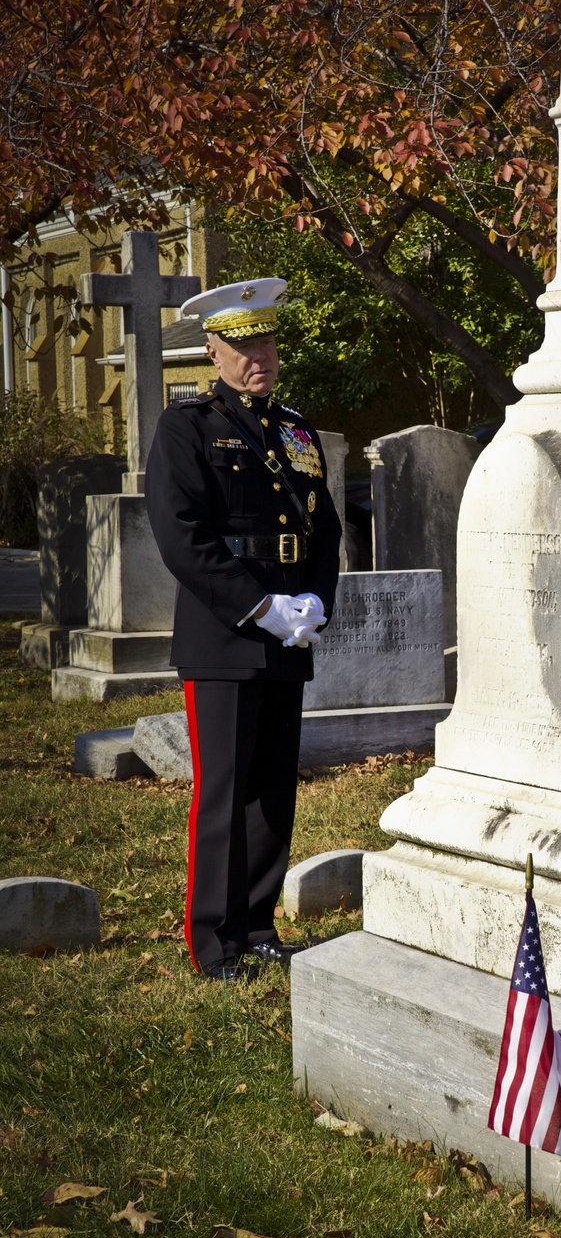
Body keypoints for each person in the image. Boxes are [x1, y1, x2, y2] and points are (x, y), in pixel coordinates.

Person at [145, 277, 341, 981]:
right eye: (241, 344)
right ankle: (213, 941)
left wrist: (316, 600)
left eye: (266, 340)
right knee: (226, 790)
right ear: (213, 351)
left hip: (289, 630)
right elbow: (182, 536)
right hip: (227, 631)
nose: (257, 355)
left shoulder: (294, 428)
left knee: (273, 788)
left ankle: (258, 926)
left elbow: (324, 528)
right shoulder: (187, 427)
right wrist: (257, 605)